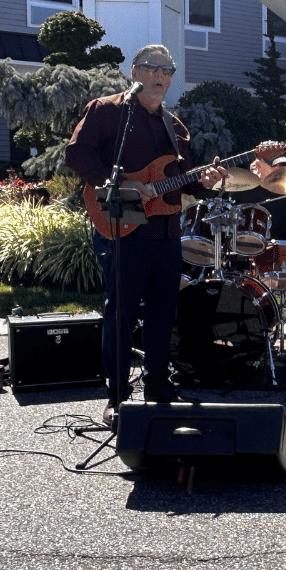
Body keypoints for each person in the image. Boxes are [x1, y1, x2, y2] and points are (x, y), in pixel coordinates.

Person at [65, 45, 226, 422]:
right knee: (119, 314)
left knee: (161, 314)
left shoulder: (175, 126)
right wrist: (119, 182)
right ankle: (117, 396)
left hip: (166, 232)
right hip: (123, 228)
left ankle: (158, 387)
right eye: (152, 67)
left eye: (167, 69)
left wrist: (205, 180)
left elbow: (181, 183)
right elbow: (77, 154)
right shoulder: (107, 110)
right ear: (135, 72)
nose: (161, 75)